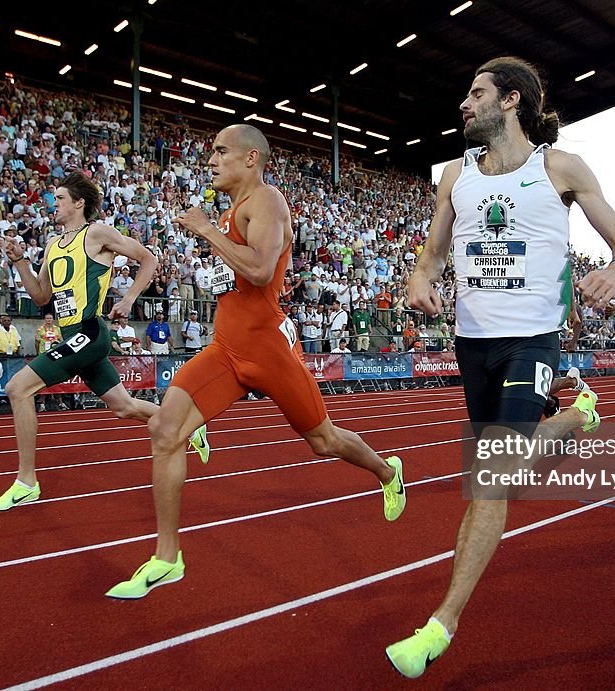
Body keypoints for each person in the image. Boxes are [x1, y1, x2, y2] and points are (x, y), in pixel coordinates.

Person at [386, 57, 615, 678]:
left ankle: (439, 625)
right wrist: (420, 280)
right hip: (472, 343)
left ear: (511, 101)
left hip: (533, 340)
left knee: (490, 478)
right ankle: (577, 416)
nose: (463, 104)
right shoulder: (454, 175)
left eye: (476, 93)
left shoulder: (560, 169)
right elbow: (433, 255)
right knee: (495, 467)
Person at [107, 125, 404, 599]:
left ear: (250, 158)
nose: (211, 160)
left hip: (267, 350)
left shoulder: (267, 202)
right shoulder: (234, 210)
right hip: (226, 349)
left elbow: (262, 270)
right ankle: (167, 558)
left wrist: (205, 231)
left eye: (220, 151)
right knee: (164, 429)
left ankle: (388, 472)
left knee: (324, 441)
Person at [0, 172, 209, 511]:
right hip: (72, 335)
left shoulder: (96, 232)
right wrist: (20, 263)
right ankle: (189, 424)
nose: (53, 204)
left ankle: (27, 481)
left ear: (78, 203)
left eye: (59, 198)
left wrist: (130, 299)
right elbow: (41, 296)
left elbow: (148, 258)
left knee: (18, 388)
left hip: (90, 332)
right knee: (124, 407)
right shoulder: (52, 245)